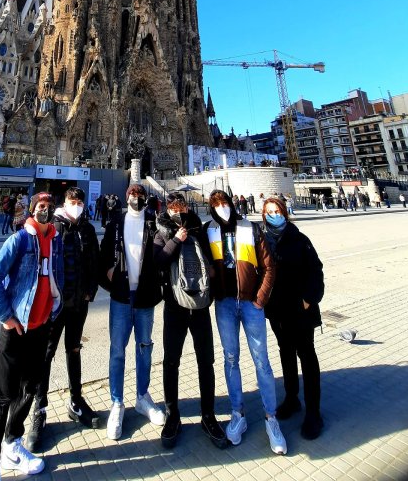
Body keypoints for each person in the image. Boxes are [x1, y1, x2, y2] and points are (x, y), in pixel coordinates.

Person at [0, 193, 63, 481]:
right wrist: (6, 317)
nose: (45, 211)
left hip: (40, 329)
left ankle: (12, 445)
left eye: (49, 207)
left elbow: (56, 278)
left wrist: (55, 309)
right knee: (2, 397)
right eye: (41, 207)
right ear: (32, 210)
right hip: (17, 330)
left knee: (28, 391)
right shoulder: (19, 240)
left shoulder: (55, 241)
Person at [207, 189, 286, 456]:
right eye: (216, 204)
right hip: (225, 304)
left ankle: (270, 418)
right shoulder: (209, 230)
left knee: (261, 360)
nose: (222, 208)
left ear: (231, 203)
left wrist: (261, 299)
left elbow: (268, 266)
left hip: (251, 304)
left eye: (224, 203)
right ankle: (237, 413)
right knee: (230, 358)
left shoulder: (249, 228)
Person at [26, 187, 101, 451]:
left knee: (74, 350)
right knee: (45, 355)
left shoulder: (88, 229)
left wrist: (91, 290)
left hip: (79, 303)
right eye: (73, 201)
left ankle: (76, 401)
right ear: (65, 203)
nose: (77, 205)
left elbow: (96, 263)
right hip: (54, 306)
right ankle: (39, 409)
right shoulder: (52, 227)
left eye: (80, 201)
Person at [153, 192, 227, 450]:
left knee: (206, 361)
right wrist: (175, 240)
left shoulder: (199, 228)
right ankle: (172, 416)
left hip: (201, 305)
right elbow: (158, 261)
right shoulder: (161, 231)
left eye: (182, 205)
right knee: (171, 361)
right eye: (174, 206)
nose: (179, 210)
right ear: (167, 209)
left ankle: (208, 416)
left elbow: (212, 264)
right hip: (175, 305)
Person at [99, 184, 165, 440]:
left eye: (140, 195)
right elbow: (105, 253)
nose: (136, 199)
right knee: (117, 350)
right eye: (133, 195)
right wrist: (109, 278)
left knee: (145, 347)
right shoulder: (116, 221)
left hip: (146, 297)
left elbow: (162, 251)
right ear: (126, 198)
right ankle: (117, 402)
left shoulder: (153, 221)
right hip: (121, 298)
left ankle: (142, 397)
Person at [260, 196, 325, 441]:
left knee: (307, 356)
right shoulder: (263, 240)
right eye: (269, 212)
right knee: (285, 352)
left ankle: (314, 413)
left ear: (285, 213)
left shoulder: (300, 239)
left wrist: (309, 299)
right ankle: (291, 398)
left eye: (277, 211)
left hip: (300, 309)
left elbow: (316, 270)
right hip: (276, 310)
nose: (273, 215)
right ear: (263, 215)